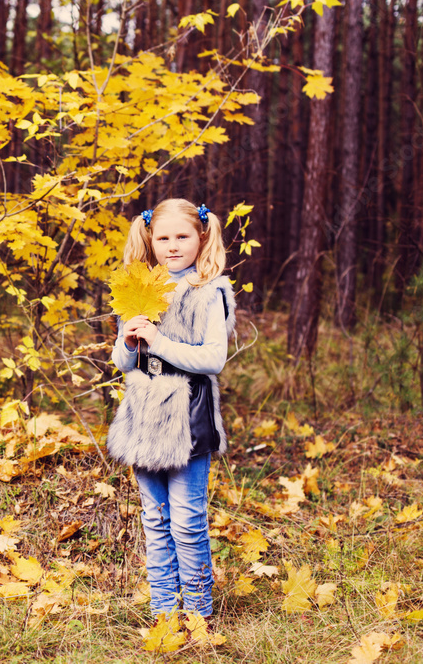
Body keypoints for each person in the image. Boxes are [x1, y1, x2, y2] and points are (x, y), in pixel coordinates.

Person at [108, 198, 236, 619]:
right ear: (150, 240)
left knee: (185, 520)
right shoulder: (139, 288)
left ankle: (199, 613)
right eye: (163, 238)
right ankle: (165, 611)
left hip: (187, 417)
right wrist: (128, 343)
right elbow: (123, 363)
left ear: (201, 237)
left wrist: (160, 342)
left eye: (182, 236)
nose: (173, 246)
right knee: (155, 520)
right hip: (142, 417)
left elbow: (213, 359)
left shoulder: (209, 290)